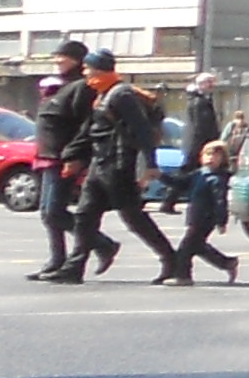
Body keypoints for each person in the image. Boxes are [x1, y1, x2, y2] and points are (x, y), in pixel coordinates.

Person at [73, 51, 177, 282]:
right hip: (99, 163)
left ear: (99, 69)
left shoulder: (121, 95)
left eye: (87, 68)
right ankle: (74, 266)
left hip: (118, 164)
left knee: (133, 217)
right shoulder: (102, 94)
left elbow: (142, 131)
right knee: (84, 215)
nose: (84, 72)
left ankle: (171, 260)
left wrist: (150, 163)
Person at [25, 40, 91, 280]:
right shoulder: (58, 86)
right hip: (46, 155)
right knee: (46, 213)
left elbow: (84, 126)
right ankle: (56, 260)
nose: (57, 61)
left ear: (76, 60)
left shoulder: (81, 86)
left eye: (62, 57)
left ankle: (101, 243)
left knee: (54, 212)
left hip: (63, 157)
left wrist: (75, 156)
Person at [159, 123, 241, 286]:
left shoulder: (216, 179)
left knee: (185, 249)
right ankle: (226, 263)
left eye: (216, 155)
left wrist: (221, 220)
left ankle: (183, 276)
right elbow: (180, 183)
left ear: (222, 160)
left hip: (206, 219)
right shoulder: (199, 174)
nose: (211, 158)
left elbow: (220, 201)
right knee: (198, 246)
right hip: (195, 216)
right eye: (208, 154)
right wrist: (161, 176)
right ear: (201, 157)